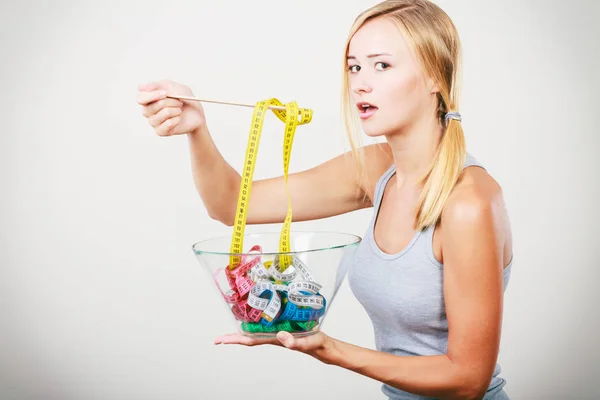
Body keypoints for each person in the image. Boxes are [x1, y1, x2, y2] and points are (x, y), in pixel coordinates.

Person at [136, 0, 513, 398]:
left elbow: (469, 379)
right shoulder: (376, 170)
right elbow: (231, 206)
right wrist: (197, 128)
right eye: (354, 66)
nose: (360, 83)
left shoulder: (467, 203)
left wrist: (329, 349)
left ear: (436, 76)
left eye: (382, 65)